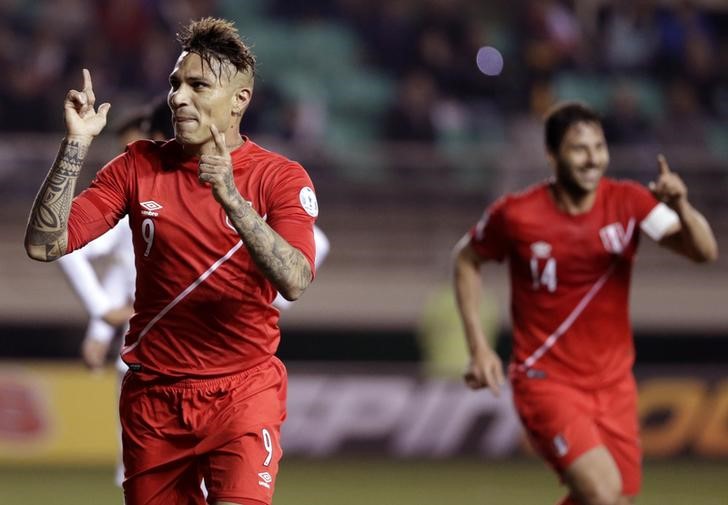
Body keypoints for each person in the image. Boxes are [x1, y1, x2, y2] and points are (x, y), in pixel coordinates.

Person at [25, 17, 319, 505]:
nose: (178, 97)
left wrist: (232, 199)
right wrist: (76, 144)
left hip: (242, 393)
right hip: (154, 399)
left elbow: (295, 279)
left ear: (239, 100)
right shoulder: (137, 166)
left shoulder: (280, 178)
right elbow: (44, 243)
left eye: (197, 85)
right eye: (175, 84)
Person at [452, 101, 717, 505]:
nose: (593, 159)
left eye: (599, 147)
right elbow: (467, 259)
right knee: (603, 494)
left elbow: (703, 252)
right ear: (553, 155)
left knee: (614, 499)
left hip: (614, 385)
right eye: (579, 148)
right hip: (546, 380)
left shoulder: (630, 203)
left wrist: (681, 204)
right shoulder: (517, 215)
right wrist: (479, 347)